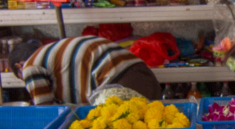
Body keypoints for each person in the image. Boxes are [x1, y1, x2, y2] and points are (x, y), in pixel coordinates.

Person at [9, 35, 160, 105]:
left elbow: (46, 112)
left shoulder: (30, 65)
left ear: (19, 66)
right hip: (144, 77)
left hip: (119, 85)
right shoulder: (54, 54)